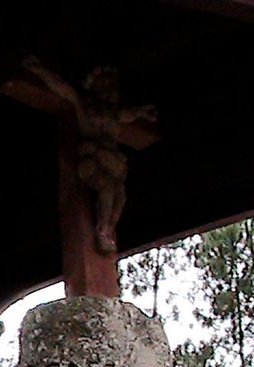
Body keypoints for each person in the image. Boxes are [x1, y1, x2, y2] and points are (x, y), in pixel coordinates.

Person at [24, 58, 157, 254]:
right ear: (94, 86)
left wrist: (144, 112)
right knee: (107, 188)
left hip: (114, 164)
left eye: (112, 85)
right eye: (105, 84)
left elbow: (132, 114)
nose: (110, 89)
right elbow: (63, 88)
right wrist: (38, 69)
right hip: (93, 161)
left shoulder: (114, 114)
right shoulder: (85, 107)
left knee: (120, 195)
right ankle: (102, 229)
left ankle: (108, 229)